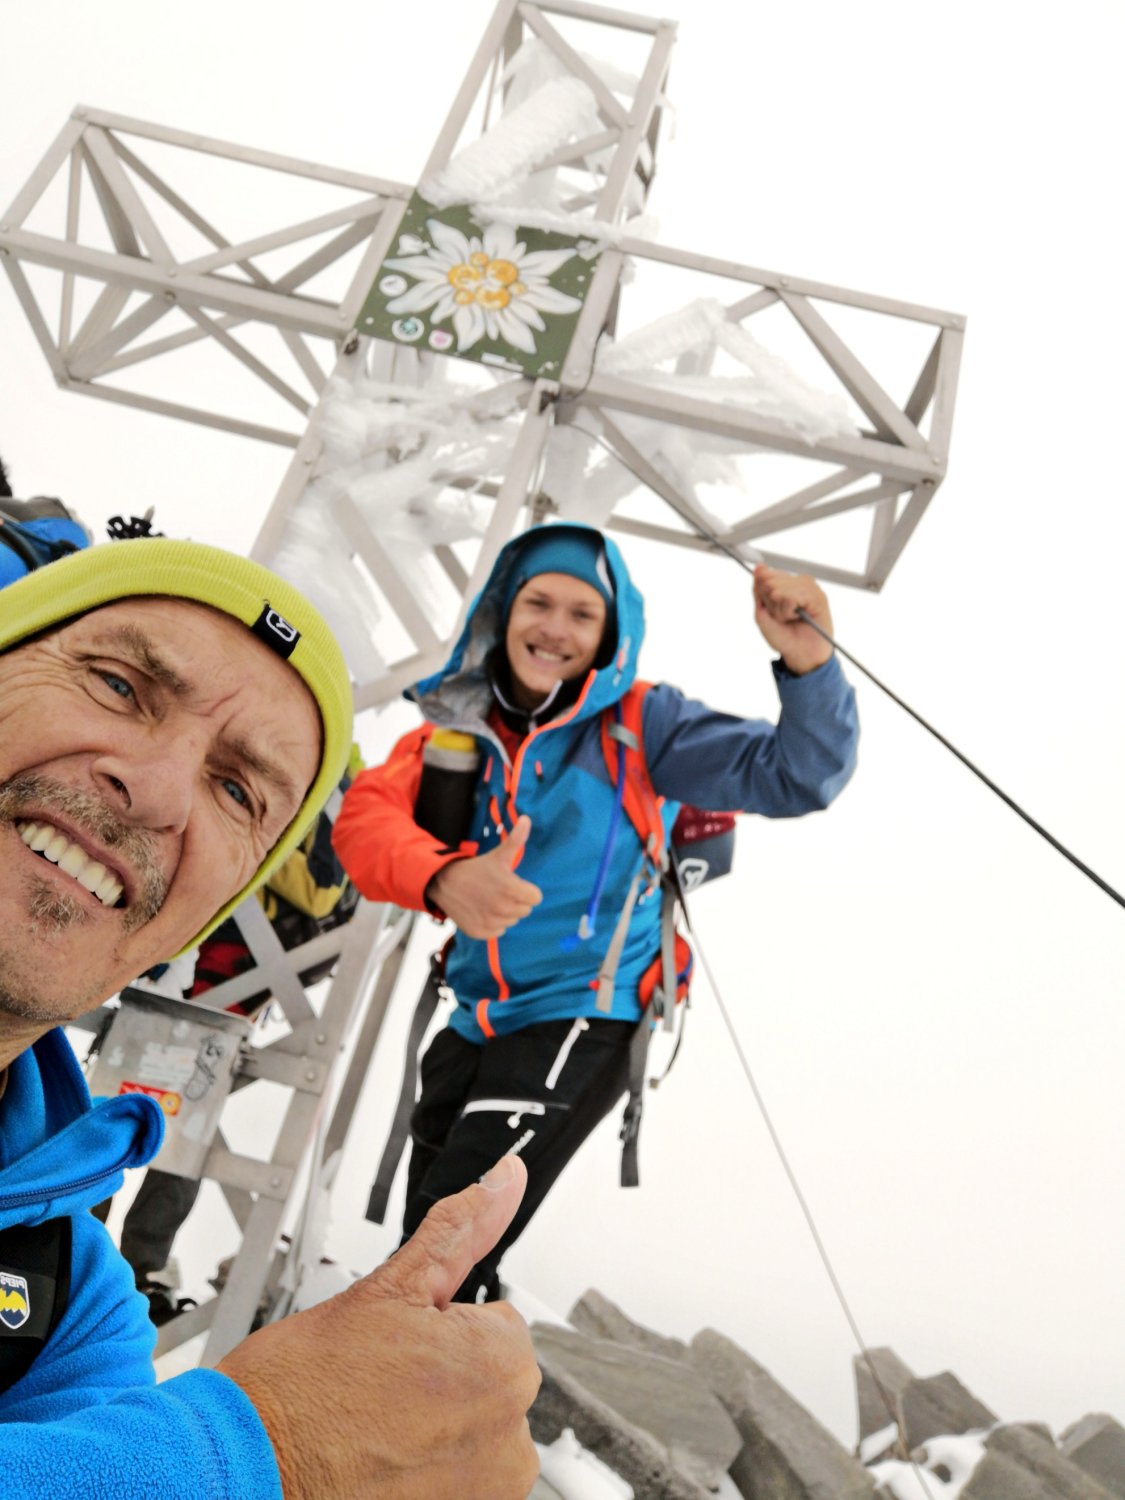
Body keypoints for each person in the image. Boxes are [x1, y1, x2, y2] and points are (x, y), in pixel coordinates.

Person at [0, 537, 540, 1499]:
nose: (158, 793)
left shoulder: (66, 1299)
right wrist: (261, 1450)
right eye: (118, 685)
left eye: (237, 790)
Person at [332, 522, 859, 1305]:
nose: (555, 627)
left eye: (582, 614)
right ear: (502, 612)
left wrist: (808, 662)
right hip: (473, 1017)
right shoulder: (457, 729)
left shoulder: (644, 725)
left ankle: (391, 1381)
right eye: (538, 603)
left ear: (610, 635)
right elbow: (364, 822)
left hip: (583, 1012)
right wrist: (443, 879)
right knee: (432, 1246)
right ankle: (458, 1371)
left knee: (437, 1256)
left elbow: (797, 774)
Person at [114, 757, 364, 1324]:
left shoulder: (335, 788)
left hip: (218, 982)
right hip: (200, 977)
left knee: (164, 1125)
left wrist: (239, 841)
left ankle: (128, 1271)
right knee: (138, 1117)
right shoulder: (310, 777)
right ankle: (99, 1260)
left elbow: (320, 893)